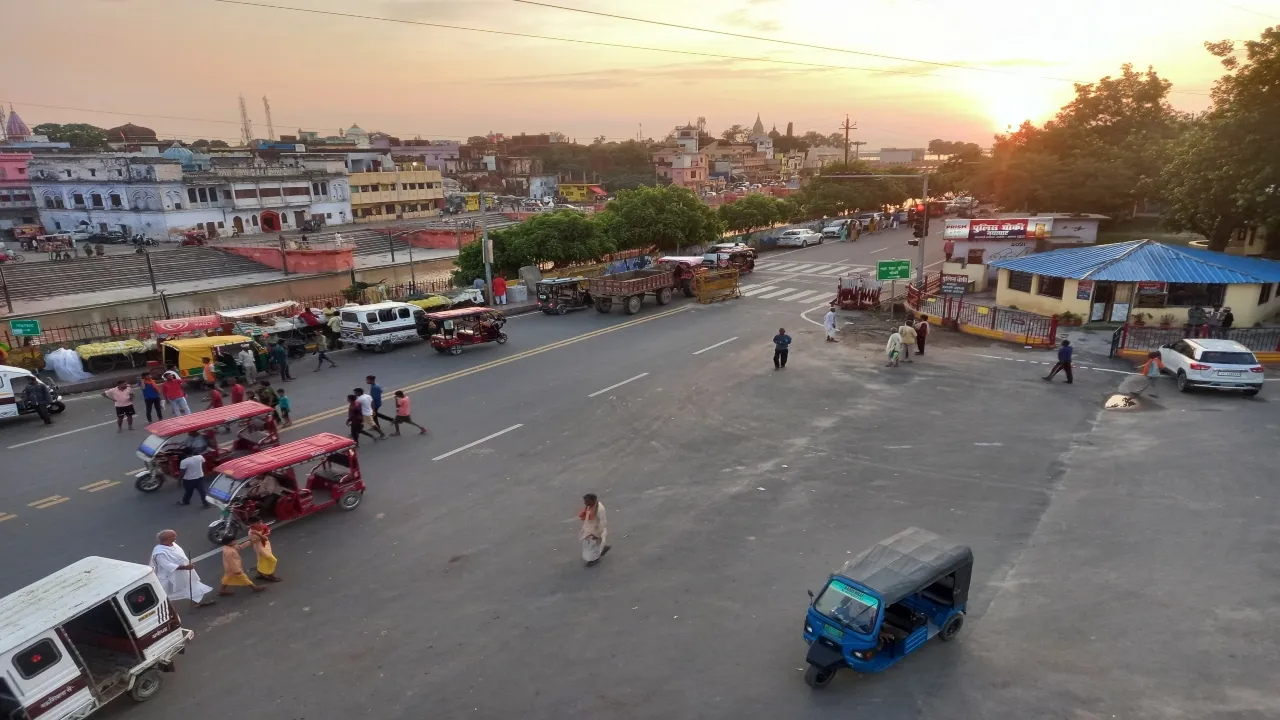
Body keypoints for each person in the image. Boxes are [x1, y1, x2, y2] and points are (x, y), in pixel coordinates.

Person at [150, 530, 214, 607]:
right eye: (173, 536)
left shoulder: (172, 544)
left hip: (184, 574)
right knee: (165, 596)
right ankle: (166, 610)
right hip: (171, 578)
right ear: (167, 539)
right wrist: (185, 567)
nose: (176, 537)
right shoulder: (160, 553)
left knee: (193, 586)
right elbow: (167, 565)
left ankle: (197, 602)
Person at [579, 493, 610, 567]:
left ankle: (594, 559)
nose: (585, 503)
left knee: (592, 546)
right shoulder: (590, 506)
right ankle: (602, 548)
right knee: (589, 545)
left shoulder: (599, 509)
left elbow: (602, 522)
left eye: (587, 501)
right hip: (589, 528)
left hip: (595, 530)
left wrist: (597, 534)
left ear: (593, 500)